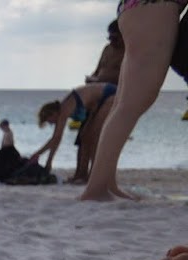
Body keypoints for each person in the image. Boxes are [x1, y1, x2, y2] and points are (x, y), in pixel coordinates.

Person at [80, 0, 188, 201]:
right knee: (130, 106)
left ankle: (106, 183)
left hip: (138, 8)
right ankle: (96, 188)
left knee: (122, 105)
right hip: (155, 8)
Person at [25, 84, 117, 183]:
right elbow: (55, 139)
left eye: (49, 121)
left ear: (53, 113)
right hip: (97, 104)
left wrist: (46, 159)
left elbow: (56, 138)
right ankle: (81, 175)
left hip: (109, 95)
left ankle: (94, 175)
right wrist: (41, 156)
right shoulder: (63, 111)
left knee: (93, 138)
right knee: (84, 137)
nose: (51, 124)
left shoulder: (64, 109)